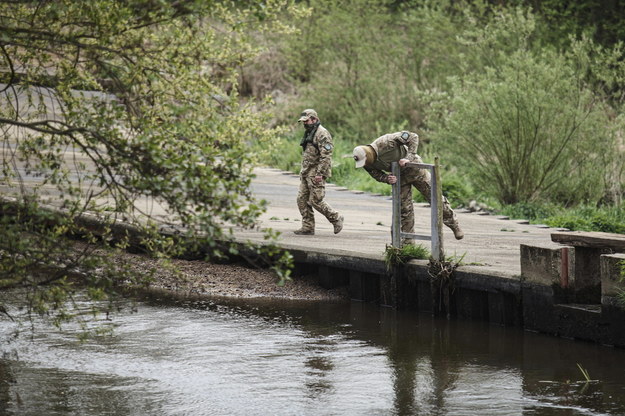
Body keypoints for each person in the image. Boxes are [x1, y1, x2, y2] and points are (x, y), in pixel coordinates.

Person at [353, 131, 464, 241]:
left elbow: (413, 137)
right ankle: (407, 243)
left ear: (368, 155)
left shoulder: (387, 141)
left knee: (435, 197)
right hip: (399, 177)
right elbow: (376, 174)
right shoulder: (366, 163)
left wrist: (409, 157)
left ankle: (454, 224)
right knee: (404, 210)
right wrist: (387, 178)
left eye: (365, 161)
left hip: (415, 170)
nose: (365, 164)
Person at [294, 109, 344, 235]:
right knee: (302, 199)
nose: (305, 124)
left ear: (314, 119)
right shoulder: (310, 132)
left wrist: (320, 174)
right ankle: (308, 227)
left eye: (307, 121)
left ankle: (336, 218)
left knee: (316, 200)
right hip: (306, 171)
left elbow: (326, 156)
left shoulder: (322, 134)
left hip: (316, 172)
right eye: (303, 122)